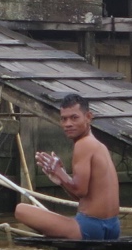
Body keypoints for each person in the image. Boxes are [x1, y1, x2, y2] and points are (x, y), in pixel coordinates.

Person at [14, 94, 122, 240]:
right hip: (113, 227)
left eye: (74, 118)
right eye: (63, 119)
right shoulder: (99, 145)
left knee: (21, 210)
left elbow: (80, 190)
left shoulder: (83, 144)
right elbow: (83, 196)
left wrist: (58, 171)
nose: (68, 124)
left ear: (88, 117)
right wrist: (61, 179)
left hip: (91, 227)